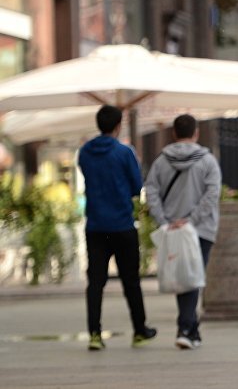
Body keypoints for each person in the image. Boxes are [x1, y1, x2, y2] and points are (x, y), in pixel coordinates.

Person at [77, 105, 156, 351]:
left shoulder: (84, 153)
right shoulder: (124, 152)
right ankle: (139, 330)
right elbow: (135, 186)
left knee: (96, 282)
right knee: (131, 280)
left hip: (96, 226)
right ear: (118, 125)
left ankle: (94, 334)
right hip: (122, 224)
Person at [145, 114, 222, 350]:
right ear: (196, 133)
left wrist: (164, 219)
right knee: (191, 276)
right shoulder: (208, 161)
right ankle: (186, 329)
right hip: (202, 228)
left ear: (174, 133)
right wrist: (191, 219)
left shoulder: (161, 161)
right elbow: (212, 194)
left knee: (184, 276)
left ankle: (191, 329)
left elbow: (151, 190)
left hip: (172, 228)